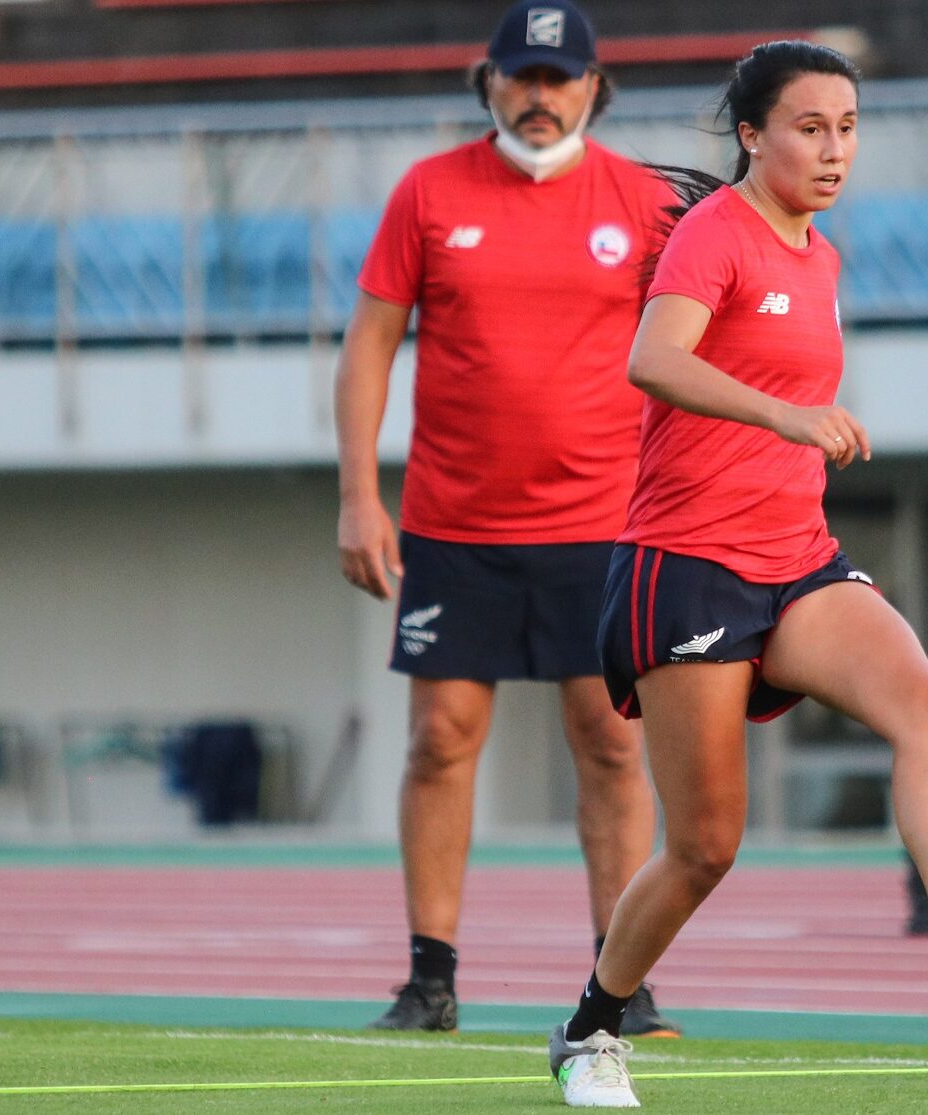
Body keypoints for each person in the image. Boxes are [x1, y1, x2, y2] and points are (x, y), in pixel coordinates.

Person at [543, 40, 928, 1109]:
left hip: (794, 557)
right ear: (751, 134)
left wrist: (789, 441)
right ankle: (590, 1029)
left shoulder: (820, 254)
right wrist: (785, 413)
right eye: (809, 126)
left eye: (846, 127)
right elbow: (651, 360)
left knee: (925, 702)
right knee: (704, 846)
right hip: (687, 566)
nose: (833, 148)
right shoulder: (715, 234)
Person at [334, 0, 678, 1037]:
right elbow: (368, 347)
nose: (539, 96)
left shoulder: (644, 203)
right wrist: (358, 492)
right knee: (440, 739)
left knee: (611, 746)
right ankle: (429, 977)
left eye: (559, 77)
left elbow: (691, 351)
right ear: (486, 83)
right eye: (520, 77)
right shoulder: (429, 193)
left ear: (594, 86)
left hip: (604, 523)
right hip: (454, 522)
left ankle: (620, 984)